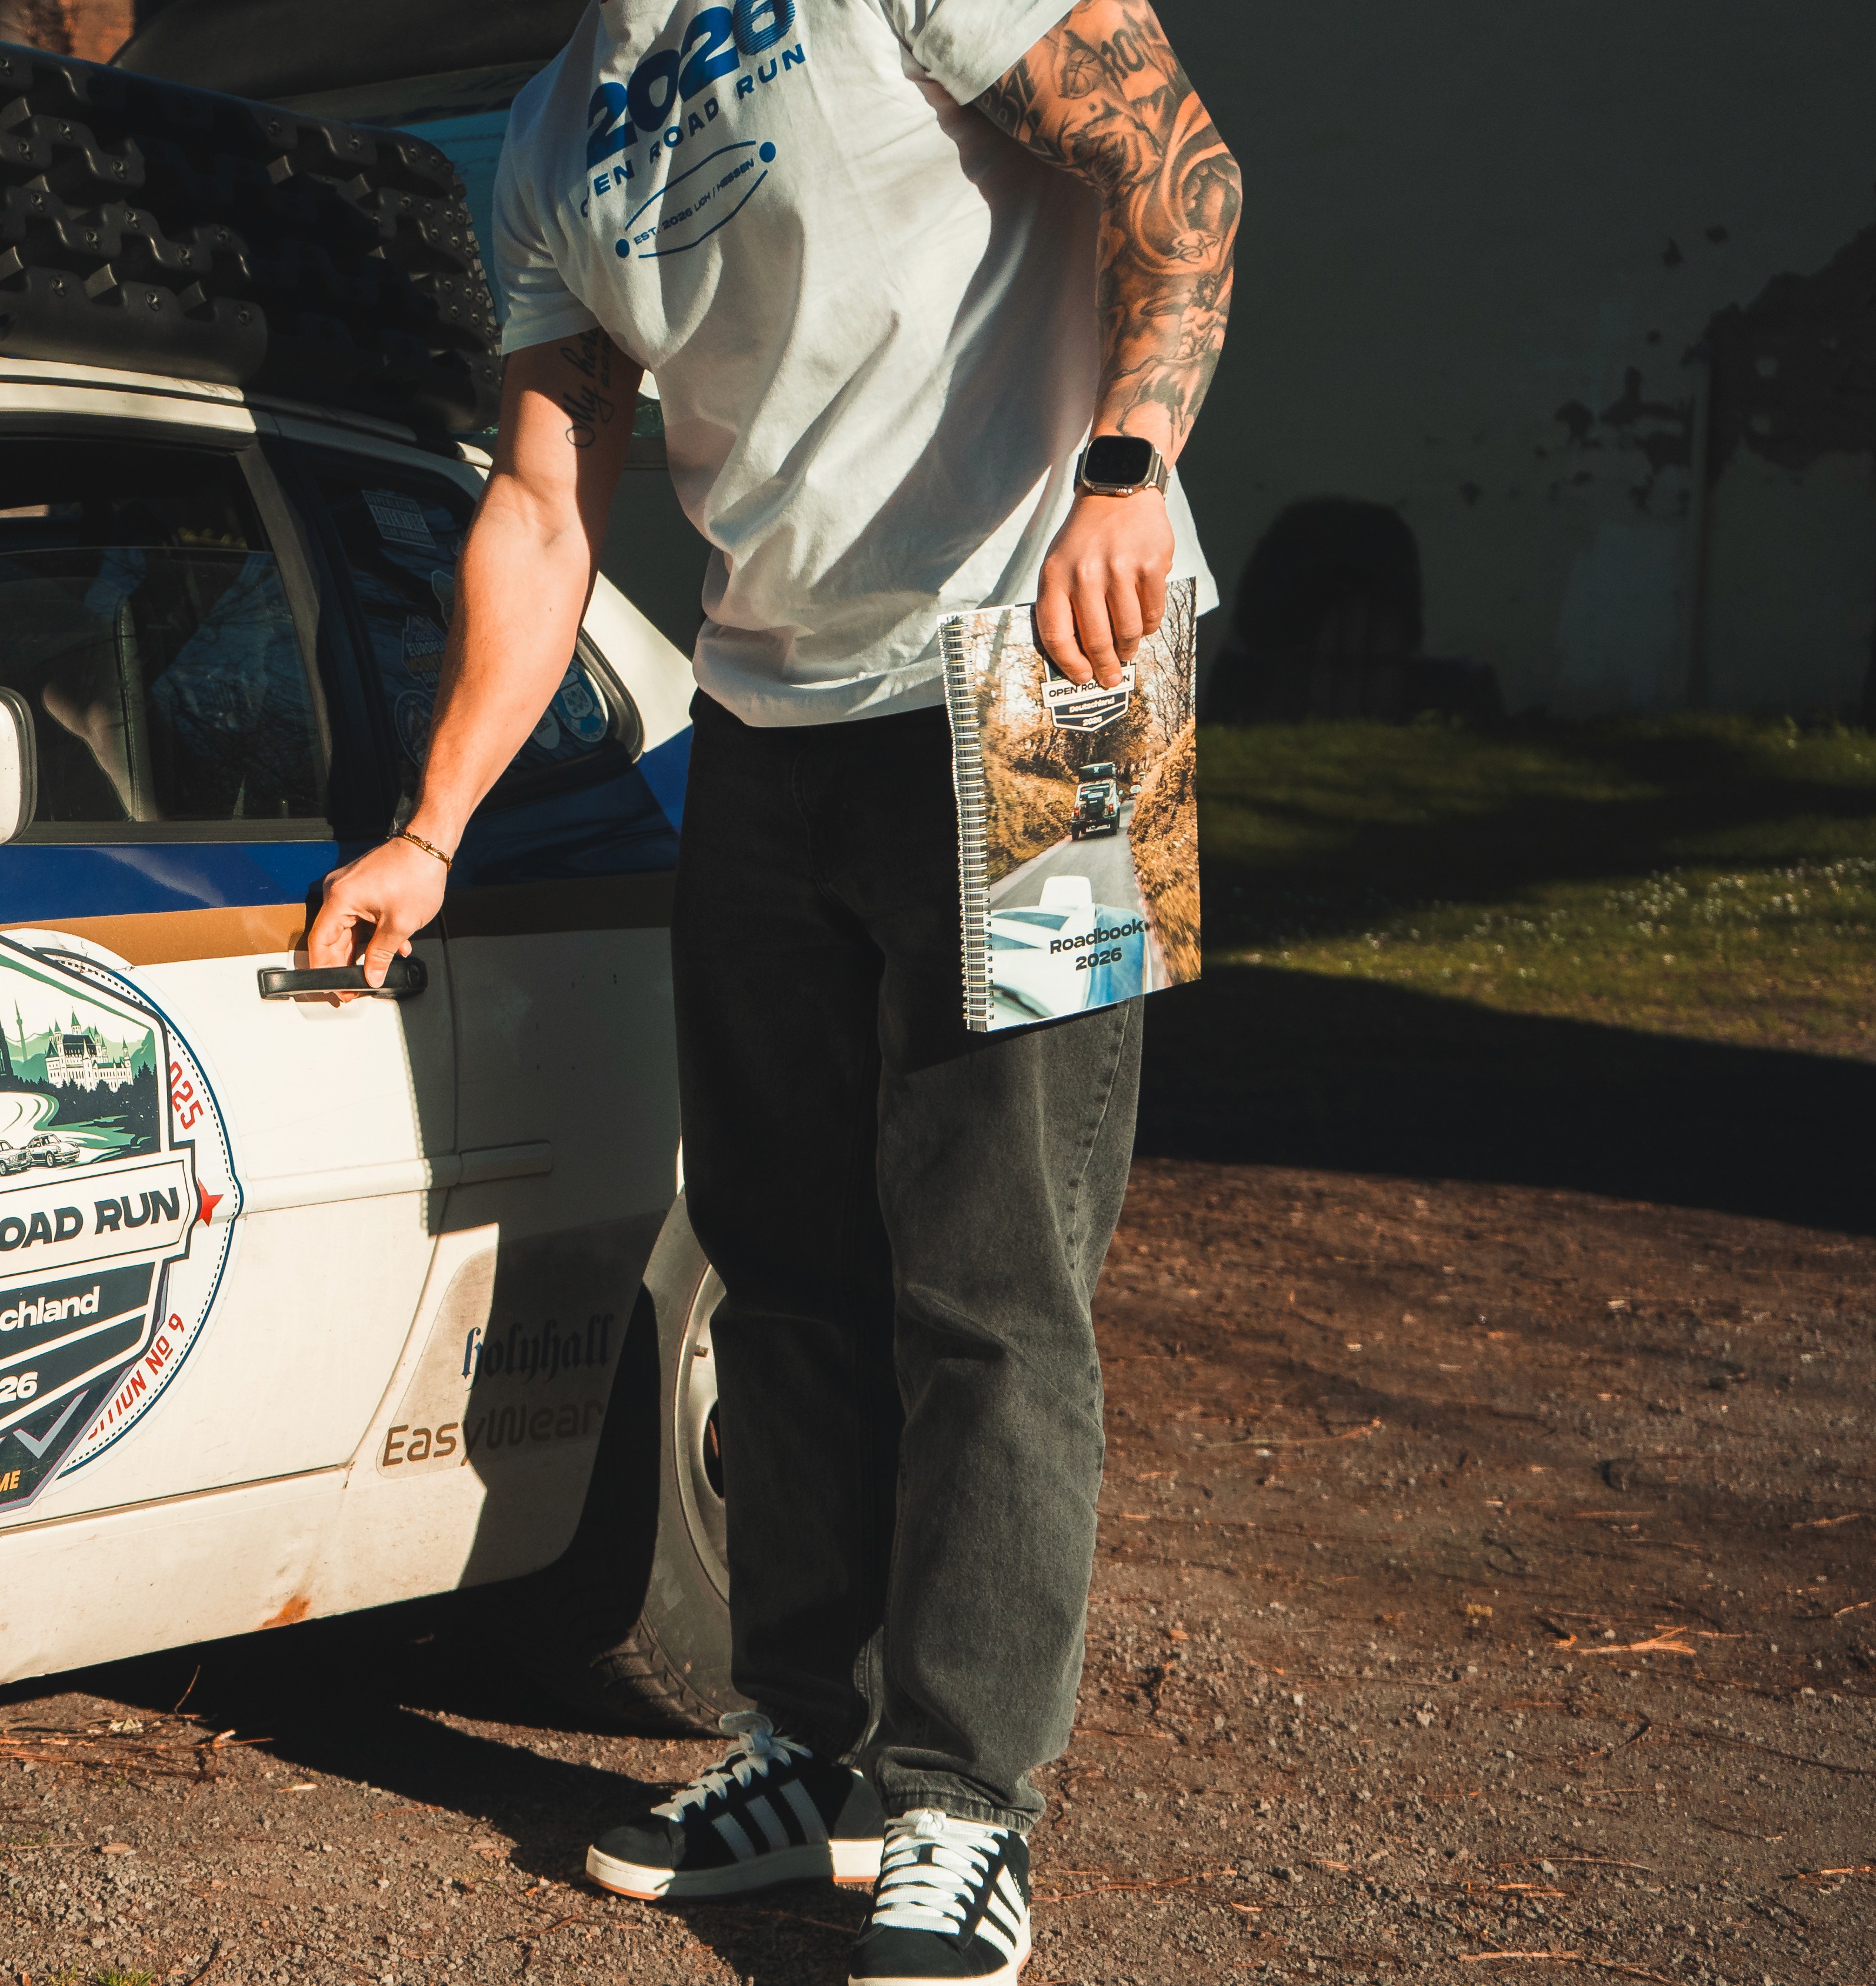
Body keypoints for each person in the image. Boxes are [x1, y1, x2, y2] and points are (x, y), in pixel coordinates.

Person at [302, 2, 1240, 1980]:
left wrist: (1131, 468)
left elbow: (1188, 180)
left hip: (1050, 684)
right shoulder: (557, 136)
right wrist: (438, 822)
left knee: (994, 1275)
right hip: (764, 713)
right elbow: (551, 503)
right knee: (780, 1250)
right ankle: (805, 1740)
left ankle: (966, 1804)